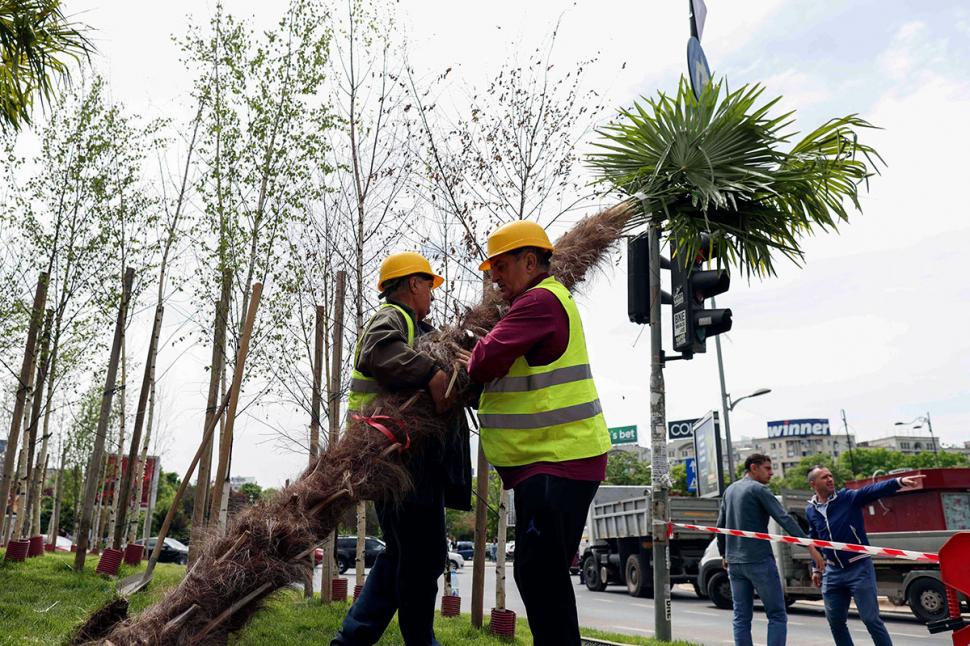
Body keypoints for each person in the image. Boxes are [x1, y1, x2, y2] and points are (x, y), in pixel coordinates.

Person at [467, 220, 612, 646]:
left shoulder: (538, 303)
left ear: (530, 261)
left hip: (557, 461)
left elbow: (483, 362)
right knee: (539, 572)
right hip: (557, 462)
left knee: (538, 573)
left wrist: (474, 351)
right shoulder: (547, 301)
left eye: (500, 266)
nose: (494, 276)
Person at [332, 251, 472, 646]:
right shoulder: (392, 318)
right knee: (416, 555)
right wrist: (431, 372)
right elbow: (377, 352)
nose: (432, 292)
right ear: (412, 283)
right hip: (397, 460)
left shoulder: (416, 326)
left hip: (409, 462)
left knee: (410, 556)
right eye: (429, 283)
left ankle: (363, 639)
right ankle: (401, 639)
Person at [805, 466, 925, 646]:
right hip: (832, 571)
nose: (830, 479)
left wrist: (897, 482)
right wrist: (816, 568)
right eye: (824, 477)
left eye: (831, 475)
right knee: (835, 622)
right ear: (813, 484)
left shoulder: (847, 498)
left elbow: (871, 491)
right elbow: (814, 537)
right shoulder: (811, 510)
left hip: (858, 567)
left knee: (871, 619)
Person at [716, 453, 825, 646]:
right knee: (776, 615)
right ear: (753, 468)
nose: (772, 472)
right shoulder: (759, 490)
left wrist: (724, 553)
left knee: (741, 617)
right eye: (767, 468)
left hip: (735, 563)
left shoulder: (730, 490)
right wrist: (809, 545)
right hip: (759, 561)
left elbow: (720, 526)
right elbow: (783, 518)